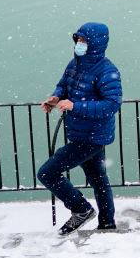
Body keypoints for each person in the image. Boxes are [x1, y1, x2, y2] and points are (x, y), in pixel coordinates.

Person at [36, 22, 123, 235]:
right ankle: (107, 224)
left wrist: (76, 106)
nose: (80, 44)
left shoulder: (107, 70)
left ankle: (81, 209)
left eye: (84, 40)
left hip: (92, 137)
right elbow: (64, 85)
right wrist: (55, 98)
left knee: (47, 173)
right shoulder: (75, 64)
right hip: (80, 133)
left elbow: (112, 104)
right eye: (78, 40)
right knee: (99, 181)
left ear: (95, 43)